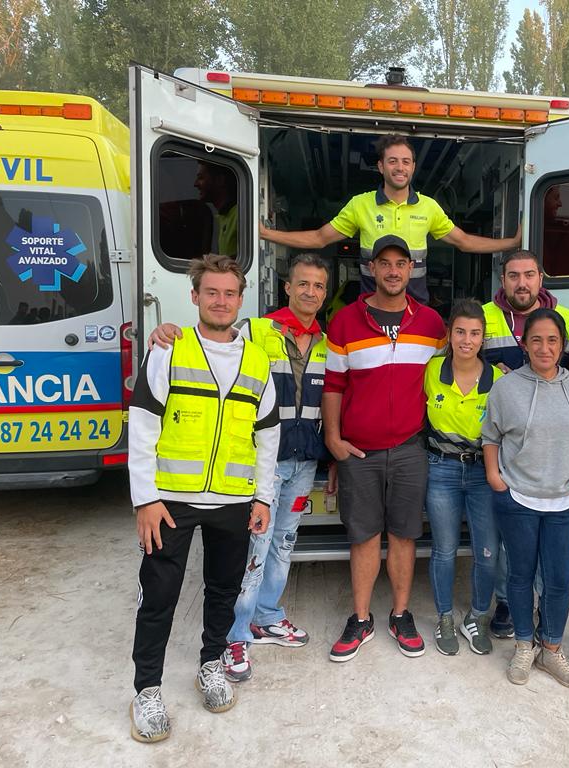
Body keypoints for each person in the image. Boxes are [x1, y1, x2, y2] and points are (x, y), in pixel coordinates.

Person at [147, 253, 332, 681]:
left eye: (318, 286)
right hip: (258, 463)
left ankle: (267, 615)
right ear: (286, 287)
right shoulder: (256, 329)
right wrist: (164, 330)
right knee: (253, 552)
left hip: (303, 460)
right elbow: (210, 342)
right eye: (302, 284)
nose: (310, 292)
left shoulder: (325, 340)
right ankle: (234, 634)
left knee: (284, 545)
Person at [127, 254, 279, 743]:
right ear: (194, 296)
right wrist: (145, 499)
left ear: (241, 299)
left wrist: (263, 498)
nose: (220, 301)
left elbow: (268, 435)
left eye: (229, 293)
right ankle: (146, 689)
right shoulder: (169, 349)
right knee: (160, 596)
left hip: (234, 501)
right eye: (210, 292)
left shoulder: (257, 360)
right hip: (171, 501)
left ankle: (211, 664)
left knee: (223, 593)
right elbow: (143, 427)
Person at [324, 234, 446, 661]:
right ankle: (360, 620)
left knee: (404, 535)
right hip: (360, 451)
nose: (393, 271)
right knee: (363, 537)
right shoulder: (344, 322)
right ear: (371, 269)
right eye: (385, 263)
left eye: (401, 263)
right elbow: (334, 385)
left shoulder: (432, 324)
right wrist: (333, 440)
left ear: (411, 270)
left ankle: (400, 613)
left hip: (411, 448)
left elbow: (448, 375)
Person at [259, 134, 520, 303]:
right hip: (370, 307)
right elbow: (319, 237)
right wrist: (268, 234)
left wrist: (511, 243)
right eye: (393, 161)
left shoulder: (429, 207)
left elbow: (464, 242)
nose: (400, 167)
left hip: (414, 308)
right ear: (381, 166)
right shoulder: (360, 204)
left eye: (406, 162)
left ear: (413, 167)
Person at [482, 308, 569, 688]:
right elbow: (491, 436)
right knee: (520, 575)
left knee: (560, 579)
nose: (544, 348)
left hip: (563, 499)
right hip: (518, 498)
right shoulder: (506, 387)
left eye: (552, 340)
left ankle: (551, 648)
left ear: (563, 345)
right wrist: (495, 477)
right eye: (536, 340)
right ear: (524, 344)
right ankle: (523, 646)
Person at [481, 248, 569, 639]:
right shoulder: (485, 318)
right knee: (510, 547)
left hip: (554, 460)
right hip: (507, 456)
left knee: (551, 559)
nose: (521, 283)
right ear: (503, 280)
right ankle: (509, 605)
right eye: (513, 276)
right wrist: (494, 474)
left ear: (541, 278)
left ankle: (547, 618)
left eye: (529, 275)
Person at [425, 300, 504, 655]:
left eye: (475, 333)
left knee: (486, 552)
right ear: (449, 334)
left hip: (482, 472)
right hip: (441, 467)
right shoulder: (432, 370)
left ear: (484, 337)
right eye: (460, 332)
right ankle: (444, 617)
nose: (467, 340)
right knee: (444, 549)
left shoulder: (498, 379)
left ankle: (478, 617)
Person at [194, 161, 238, 256]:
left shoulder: (240, 215)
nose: (195, 184)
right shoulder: (222, 215)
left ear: (219, 180)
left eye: (201, 178)